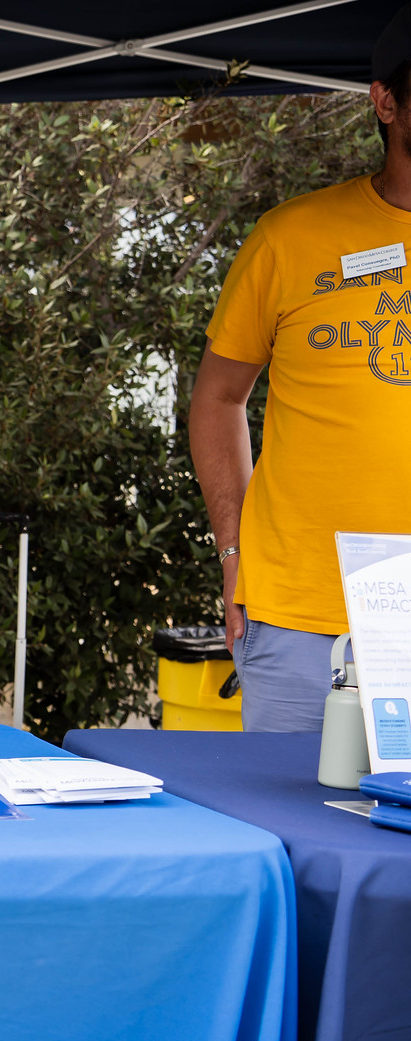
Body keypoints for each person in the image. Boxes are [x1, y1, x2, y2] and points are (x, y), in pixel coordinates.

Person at [189, 4, 411, 731]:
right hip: (300, 623)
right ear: (385, 100)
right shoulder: (291, 238)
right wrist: (233, 552)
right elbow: (218, 399)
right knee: (296, 842)